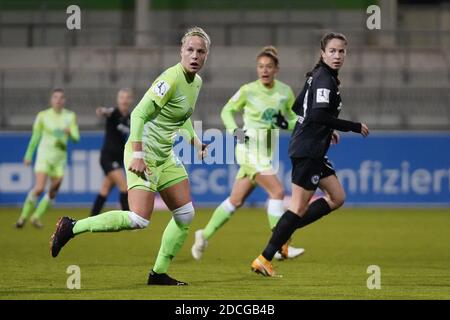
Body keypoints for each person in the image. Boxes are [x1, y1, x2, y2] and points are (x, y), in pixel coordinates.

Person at [49, 27, 210, 286]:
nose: (194, 55)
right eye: (189, 49)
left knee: (185, 215)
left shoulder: (197, 83)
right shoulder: (169, 79)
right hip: (143, 152)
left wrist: (196, 141)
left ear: (206, 56)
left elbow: (184, 114)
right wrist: (137, 153)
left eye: (200, 51)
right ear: (181, 51)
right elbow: (137, 114)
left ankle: (158, 273)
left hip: (165, 155)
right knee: (138, 219)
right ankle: (71, 227)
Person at [251, 32, 370, 276]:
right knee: (297, 207)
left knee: (337, 197)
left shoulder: (318, 76)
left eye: (342, 51)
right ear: (323, 53)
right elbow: (316, 115)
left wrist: (326, 130)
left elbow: (298, 107)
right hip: (308, 151)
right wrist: (352, 126)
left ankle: (283, 233)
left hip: (312, 148)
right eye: (333, 51)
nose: (337, 56)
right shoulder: (324, 78)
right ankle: (266, 256)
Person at [191, 46, 304, 261]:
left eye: (269, 66)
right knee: (278, 192)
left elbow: (293, 121)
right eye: (261, 66)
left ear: (276, 69)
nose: (264, 70)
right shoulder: (248, 90)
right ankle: (281, 246)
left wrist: (286, 122)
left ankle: (203, 235)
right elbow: (226, 110)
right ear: (257, 69)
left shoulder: (285, 92)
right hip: (248, 148)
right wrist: (235, 130)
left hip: (266, 152)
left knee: (235, 200)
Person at [16, 88, 80, 229]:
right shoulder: (42, 116)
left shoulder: (70, 116)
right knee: (39, 188)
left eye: (61, 97)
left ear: (64, 100)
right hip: (44, 156)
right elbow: (35, 137)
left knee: (53, 191)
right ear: (51, 100)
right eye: (55, 97)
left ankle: (36, 217)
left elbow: (76, 138)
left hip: (60, 159)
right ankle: (22, 218)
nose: (58, 100)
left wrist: (71, 132)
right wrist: (28, 155)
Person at [90, 88, 133, 216]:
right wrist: (101, 111)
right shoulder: (114, 112)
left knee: (105, 189)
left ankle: (92, 218)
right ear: (118, 100)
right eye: (121, 97)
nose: (124, 100)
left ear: (131, 100)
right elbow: (105, 111)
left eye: (126, 97)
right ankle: (129, 219)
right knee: (124, 187)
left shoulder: (131, 117)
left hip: (118, 158)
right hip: (108, 157)